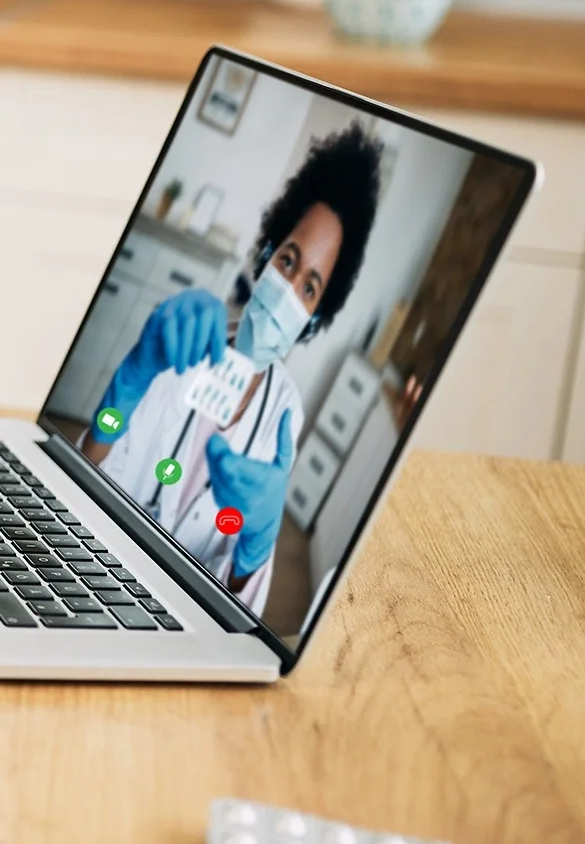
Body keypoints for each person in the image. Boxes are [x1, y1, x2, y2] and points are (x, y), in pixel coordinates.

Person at [81, 127, 384, 610]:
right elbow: (92, 472)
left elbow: (234, 601)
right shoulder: (180, 347)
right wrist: (127, 388)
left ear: (315, 319)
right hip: (96, 564)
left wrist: (252, 548)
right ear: (265, 257)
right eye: (288, 260)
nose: (288, 288)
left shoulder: (282, 420)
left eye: (310, 288)